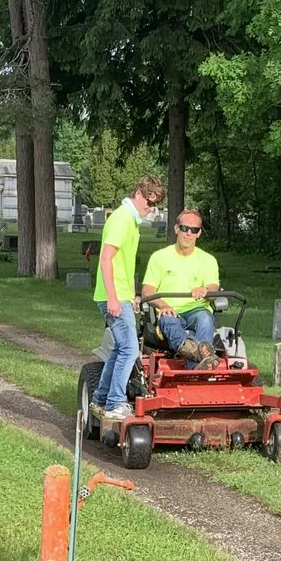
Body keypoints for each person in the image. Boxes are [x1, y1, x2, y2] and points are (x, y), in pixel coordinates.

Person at [90, 175, 166, 420]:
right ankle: (115, 403)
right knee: (130, 349)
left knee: (121, 348)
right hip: (113, 296)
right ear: (138, 193)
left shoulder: (131, 221)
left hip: (121, 295)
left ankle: (101, 398)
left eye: (155, 205)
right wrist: (113, 298)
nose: (150, 208)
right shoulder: (122, 219)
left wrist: (131, 294)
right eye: (149, 201)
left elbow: (125, 264)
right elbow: (105, 259)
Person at [142, 208, 220, 369]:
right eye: (184, 228)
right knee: (169, 319)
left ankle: (196, 366)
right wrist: (163, 305)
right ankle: (200, 360)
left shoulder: (208, 260)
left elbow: (214, 287)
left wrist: (205, 290)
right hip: (170, 311)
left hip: (197, 311)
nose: (188, 233)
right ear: (177, 228)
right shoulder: (159, 257)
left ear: (199, 233)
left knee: (205, 318)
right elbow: (147, 291)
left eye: (194, 230)